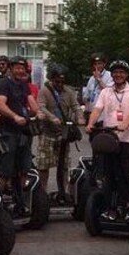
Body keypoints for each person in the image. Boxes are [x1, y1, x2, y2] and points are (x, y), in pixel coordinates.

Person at [86, 60, 129, 218]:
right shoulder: (106, 92)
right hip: (109, 140)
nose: (118, 75)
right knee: (109, 174)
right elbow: (97, 109)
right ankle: (111, 207)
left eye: (121, 72)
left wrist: (125, 124)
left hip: (127, 139)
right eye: (115, 72)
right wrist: (90, 123)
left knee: (126, 174)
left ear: (126, 74)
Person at [0, 55, 40, 209]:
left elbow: (31, 101)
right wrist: (14, 116)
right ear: (11, 68)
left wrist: (37, 112)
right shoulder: (4, 83)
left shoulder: (23, 84)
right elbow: (0, 104)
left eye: (23, 68)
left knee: (25, 168)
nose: (20, 71)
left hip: (23, 132)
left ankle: (21, 201)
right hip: (8, 131)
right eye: (17, 68)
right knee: (6, 171)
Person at [36, 63, 83, 200]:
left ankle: (64, 191)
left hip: (63, 134)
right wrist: (51, 118)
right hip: (47, 133)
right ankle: (42, 194)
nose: (60, 83)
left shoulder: (69, 91)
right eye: (57, 81)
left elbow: (76, 106)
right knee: (44, 166)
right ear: (52, 79)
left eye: (62, 81)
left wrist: (80, 117)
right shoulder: (44, 91)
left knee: (63, 166)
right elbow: (41, 107)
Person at [83, 53, 113, 122]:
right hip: (92, 114)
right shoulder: (91, 79)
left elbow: (109, 93)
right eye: (95, 64)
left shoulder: (109, 76)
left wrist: (98, 79)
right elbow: (86, 97)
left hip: (104, 116)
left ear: (104, 64)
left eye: (99, 63)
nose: (97, 66)